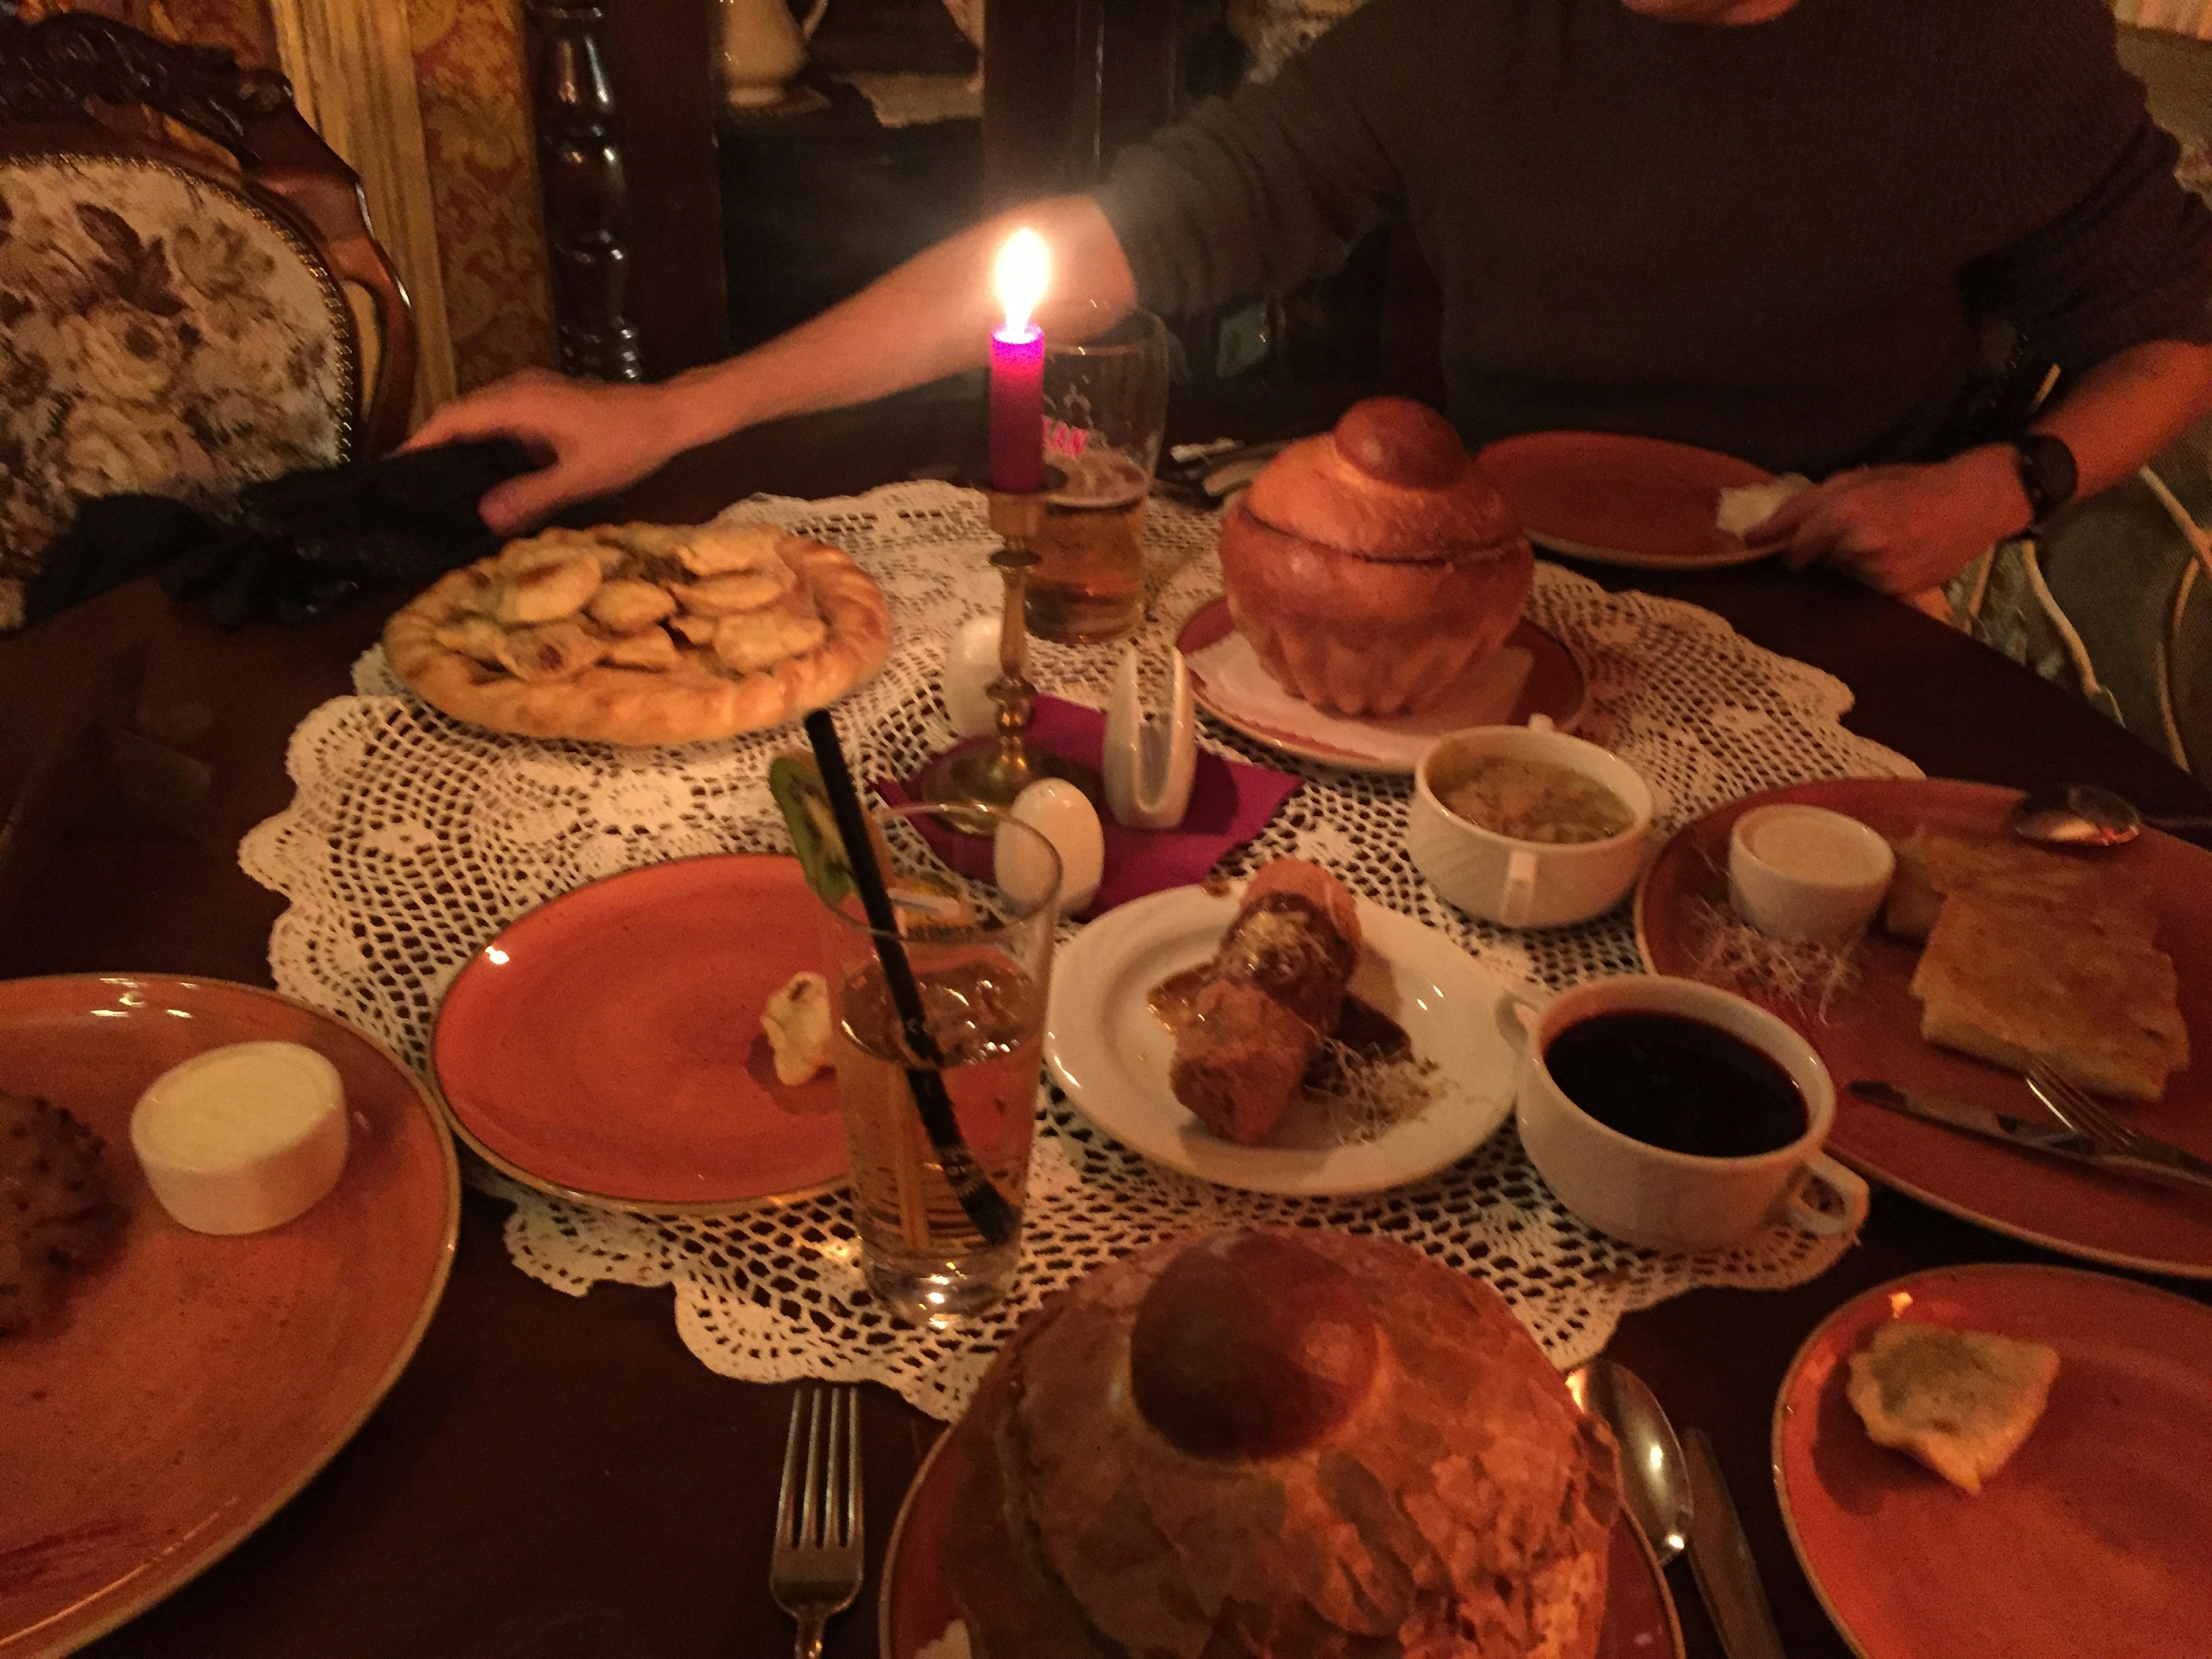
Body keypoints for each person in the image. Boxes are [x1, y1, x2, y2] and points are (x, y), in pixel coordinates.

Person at [412, 0, 2212, 599]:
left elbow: (2172, 328)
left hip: (1836, 617)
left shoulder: (1994, 44)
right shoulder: (1457, 37)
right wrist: (683, 406)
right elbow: (1099, 240)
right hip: (1496, 609)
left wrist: (2004, 489)